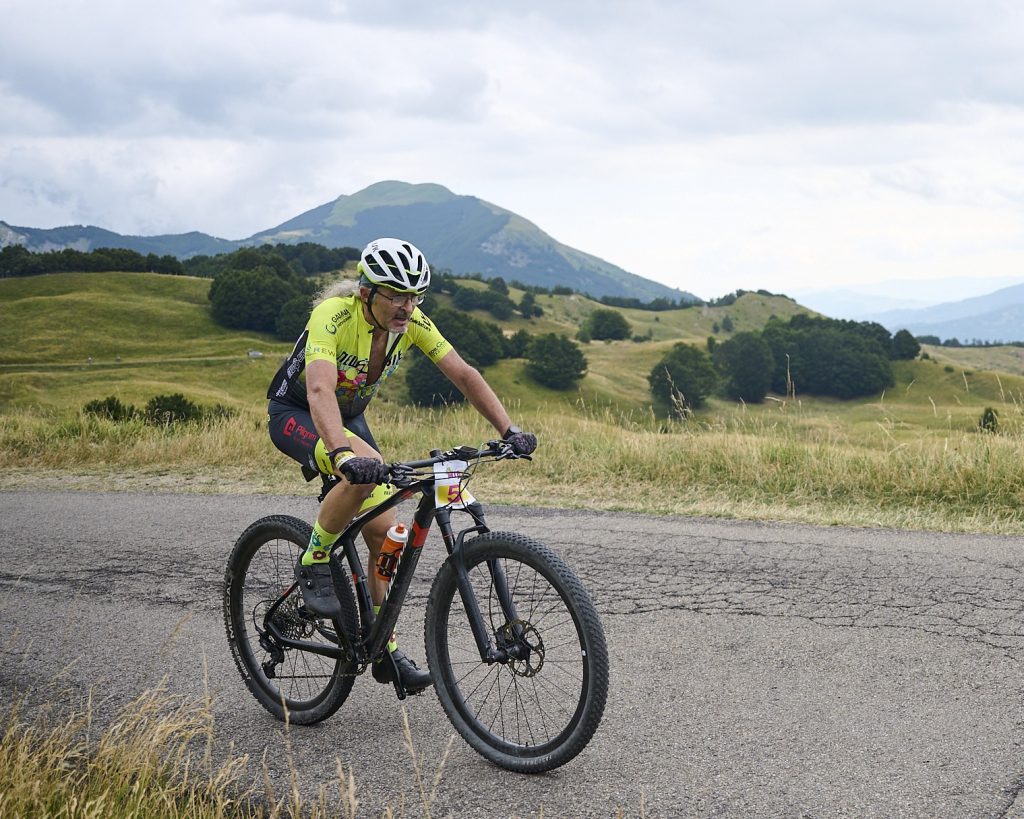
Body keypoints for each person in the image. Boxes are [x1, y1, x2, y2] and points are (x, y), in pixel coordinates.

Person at [266, 237, 537, 693]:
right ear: (366, 291)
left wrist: (509, 431)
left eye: (414, 295)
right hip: (297, 413)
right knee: (366, 463)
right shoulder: (331, 316)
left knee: (387, 538)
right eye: (395, 293)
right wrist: (341, 454)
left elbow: (464, 374)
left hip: (348, 418)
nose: (406, 305)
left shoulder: (412, 322)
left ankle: (384, 649)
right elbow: (318, 392)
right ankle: (314, 558)